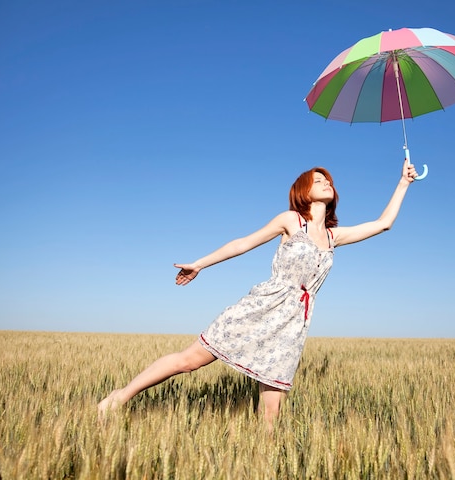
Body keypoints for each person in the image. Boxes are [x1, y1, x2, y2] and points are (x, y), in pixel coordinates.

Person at [98, 159, 418, 429]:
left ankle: (262, 460)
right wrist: (200, 264)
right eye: (317, 180)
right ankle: (118, 398)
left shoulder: (334, 236)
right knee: (190, 361)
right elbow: (243, 243)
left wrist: (403, 183)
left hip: (294, 322)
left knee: (272, 408)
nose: (326, 182)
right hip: (263, 306)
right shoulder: (291, 221)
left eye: (329, 180)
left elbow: (383, 223)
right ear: (302, 191)